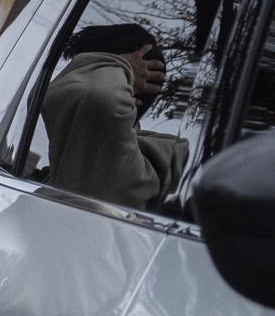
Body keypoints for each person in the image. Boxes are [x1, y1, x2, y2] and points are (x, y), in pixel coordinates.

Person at [41, 23, 186, 210]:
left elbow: (100, 99)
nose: (63, 79)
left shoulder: (131, 166)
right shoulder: (62, 170)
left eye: (84, 70)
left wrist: (122, 67)